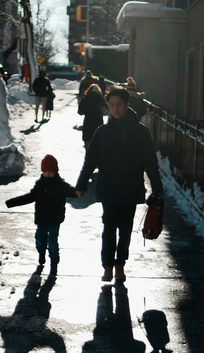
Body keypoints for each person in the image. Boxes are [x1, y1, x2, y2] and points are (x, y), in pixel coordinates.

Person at [76, 85, 164, 284]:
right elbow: (90, 160)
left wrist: (157, 189)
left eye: (119, 105)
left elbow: (150, 162)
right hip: (108, 187)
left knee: (125, 230)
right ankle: (107, 266)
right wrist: (81, 184)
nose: (115, 109)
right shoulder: (102, 132)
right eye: (112, 105)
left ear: (127, 105)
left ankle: (119, 265)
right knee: (109, 228)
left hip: (131, 187)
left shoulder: (141, 132)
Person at [5, 154, 80, 275]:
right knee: (40, 239)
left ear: (55, 171)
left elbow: (72, 191)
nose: (48, 174)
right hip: (42, 219)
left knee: (52, 242)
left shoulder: (61, 185)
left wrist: (79, 191)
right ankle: (41, 253)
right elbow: (30, 197)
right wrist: (12, 202)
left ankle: (54, 261)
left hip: (55, 219)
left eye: (50, 172)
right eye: (45, 171)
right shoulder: (40, 185)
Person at [78, 83, 106, 147]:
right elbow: (106, 110)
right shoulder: (101, 98)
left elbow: (80, 112)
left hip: (88, 123)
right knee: (98, 144)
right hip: (98, 123)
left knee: (88, 143)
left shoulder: (85, 98)